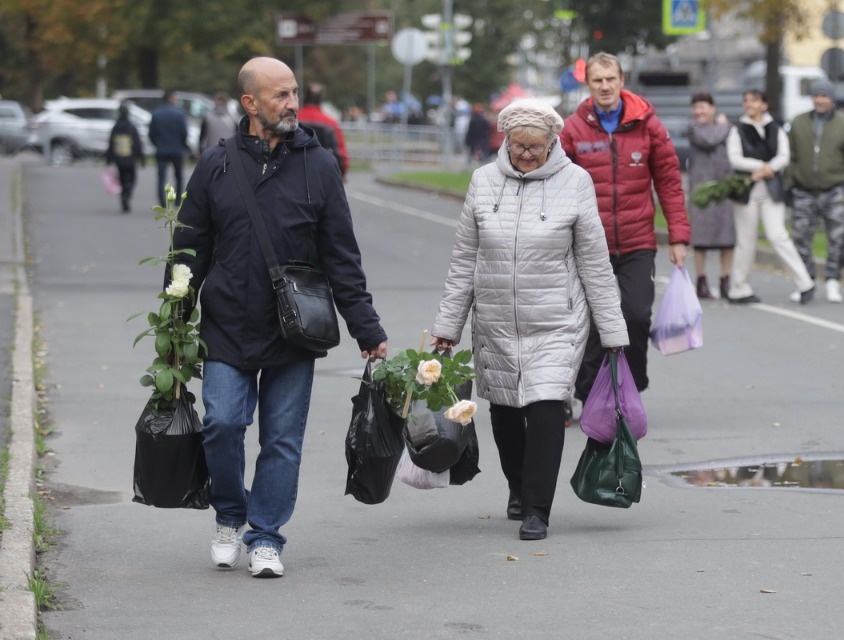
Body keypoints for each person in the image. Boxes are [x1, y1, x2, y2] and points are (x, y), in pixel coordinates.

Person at [169, 57, 388, 578]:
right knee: (222, 424)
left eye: (293, 92)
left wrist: (366, 326)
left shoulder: (319, 164)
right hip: (226, 322)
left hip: (296, 327)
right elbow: (188, 248)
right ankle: (229, 516)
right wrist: (175, 323)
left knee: (282, 439)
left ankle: (265, 535)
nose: (292, 104)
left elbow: (341, 254)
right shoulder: (216, 164)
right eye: (280, 95)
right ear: (250, 104)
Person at [430, 99, 628, 541]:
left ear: (552, 142)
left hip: (557, 320)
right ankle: (518, 486)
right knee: (504, 415)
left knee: (544, 409)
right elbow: (465, 259)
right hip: (496, 321)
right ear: (505, 140)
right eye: (517, 146)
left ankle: (537, 508)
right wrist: (448, 327)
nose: (525, 154)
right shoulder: (483, 182)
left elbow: (594, 262)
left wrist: (612, 331)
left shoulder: (576, 182)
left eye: (534, 147)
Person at [559, 51, 689, 402]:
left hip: (637, 241)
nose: (605, 86)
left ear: (621, 81)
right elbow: (555, 185)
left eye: (610, 79)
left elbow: (669, 182)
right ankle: (587, 395)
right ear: (588, 85)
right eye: (597, 80)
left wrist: (678, 237)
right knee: (588, 326)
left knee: (635, 316)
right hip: (588, 243)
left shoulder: (648, 125)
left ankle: (630, 388)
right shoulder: (573, 129)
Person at [726, 89, 814, 304]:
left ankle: (805, 283)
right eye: (746, 101)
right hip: (746, 190)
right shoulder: (737, 130)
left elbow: (784, 155)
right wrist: (759, 166)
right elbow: (735, 158)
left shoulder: (776, 128)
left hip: (771, 190)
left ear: (764, 105)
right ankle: (739, 288)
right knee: (746, 240)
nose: (749, 105)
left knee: (778, 236)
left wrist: (769, 169)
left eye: (754, 101)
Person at [785, 79, 844, 304]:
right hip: (803, 189)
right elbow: (790, 156)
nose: (820, 99)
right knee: (800, 236)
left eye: (824, 96)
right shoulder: (799, 122)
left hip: (834, 189)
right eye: (816, 95)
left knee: (836, 238)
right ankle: (805, 280)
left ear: (832, 99)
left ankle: (833, 280)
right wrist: (788, 183)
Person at [686, 92, 735, 299]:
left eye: (703, 107)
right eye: (696, 107)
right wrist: (725, 126)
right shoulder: (694, 129)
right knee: (701, 238)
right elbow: (710, 139)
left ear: (713, 108)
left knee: (727, 238)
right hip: (702, 191)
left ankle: (725, 279)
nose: (699, 111)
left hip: (723, 188)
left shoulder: (727, 129)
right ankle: (701, 280)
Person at [297, 82, 349, 178]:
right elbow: (339, 149)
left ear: (305, 96)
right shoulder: (330, 122)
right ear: (321, 98)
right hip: (322, 172)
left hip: (296, 170)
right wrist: (343, 170)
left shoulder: (294, 119)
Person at [148, 89, 189, 206]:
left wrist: (157, 143)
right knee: (179, 176)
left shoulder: (156, 113)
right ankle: (177, 201)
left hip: (161, 149)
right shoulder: (180, 113)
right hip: (176, 149)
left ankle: (162, 201)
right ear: (171, 98)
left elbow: (151, 133)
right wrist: (182, 144)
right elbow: (184, 133)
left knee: (161, 177)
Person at [105, 102, 145, 213]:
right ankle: (128, 193)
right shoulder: (131, 127)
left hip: (119, 158)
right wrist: (141, 158)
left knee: (122, 178)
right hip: (130, 158)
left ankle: (124, 194)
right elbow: (137, 144)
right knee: (132, 178)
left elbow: (111, 144)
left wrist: (109, 159)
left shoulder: (115, 127)